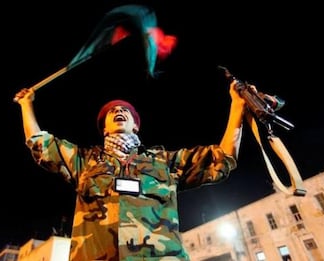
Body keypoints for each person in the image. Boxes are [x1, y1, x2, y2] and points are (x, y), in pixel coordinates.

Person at [14, 78, 247, 260]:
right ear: (104, 129)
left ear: (135, 126)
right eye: (112, 111)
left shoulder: (163, 162)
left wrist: (237, 106)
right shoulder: (85, 162)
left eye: (125, 111)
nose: (118, 111)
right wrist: (27, 105)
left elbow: (222, 158)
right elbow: (39, 143)